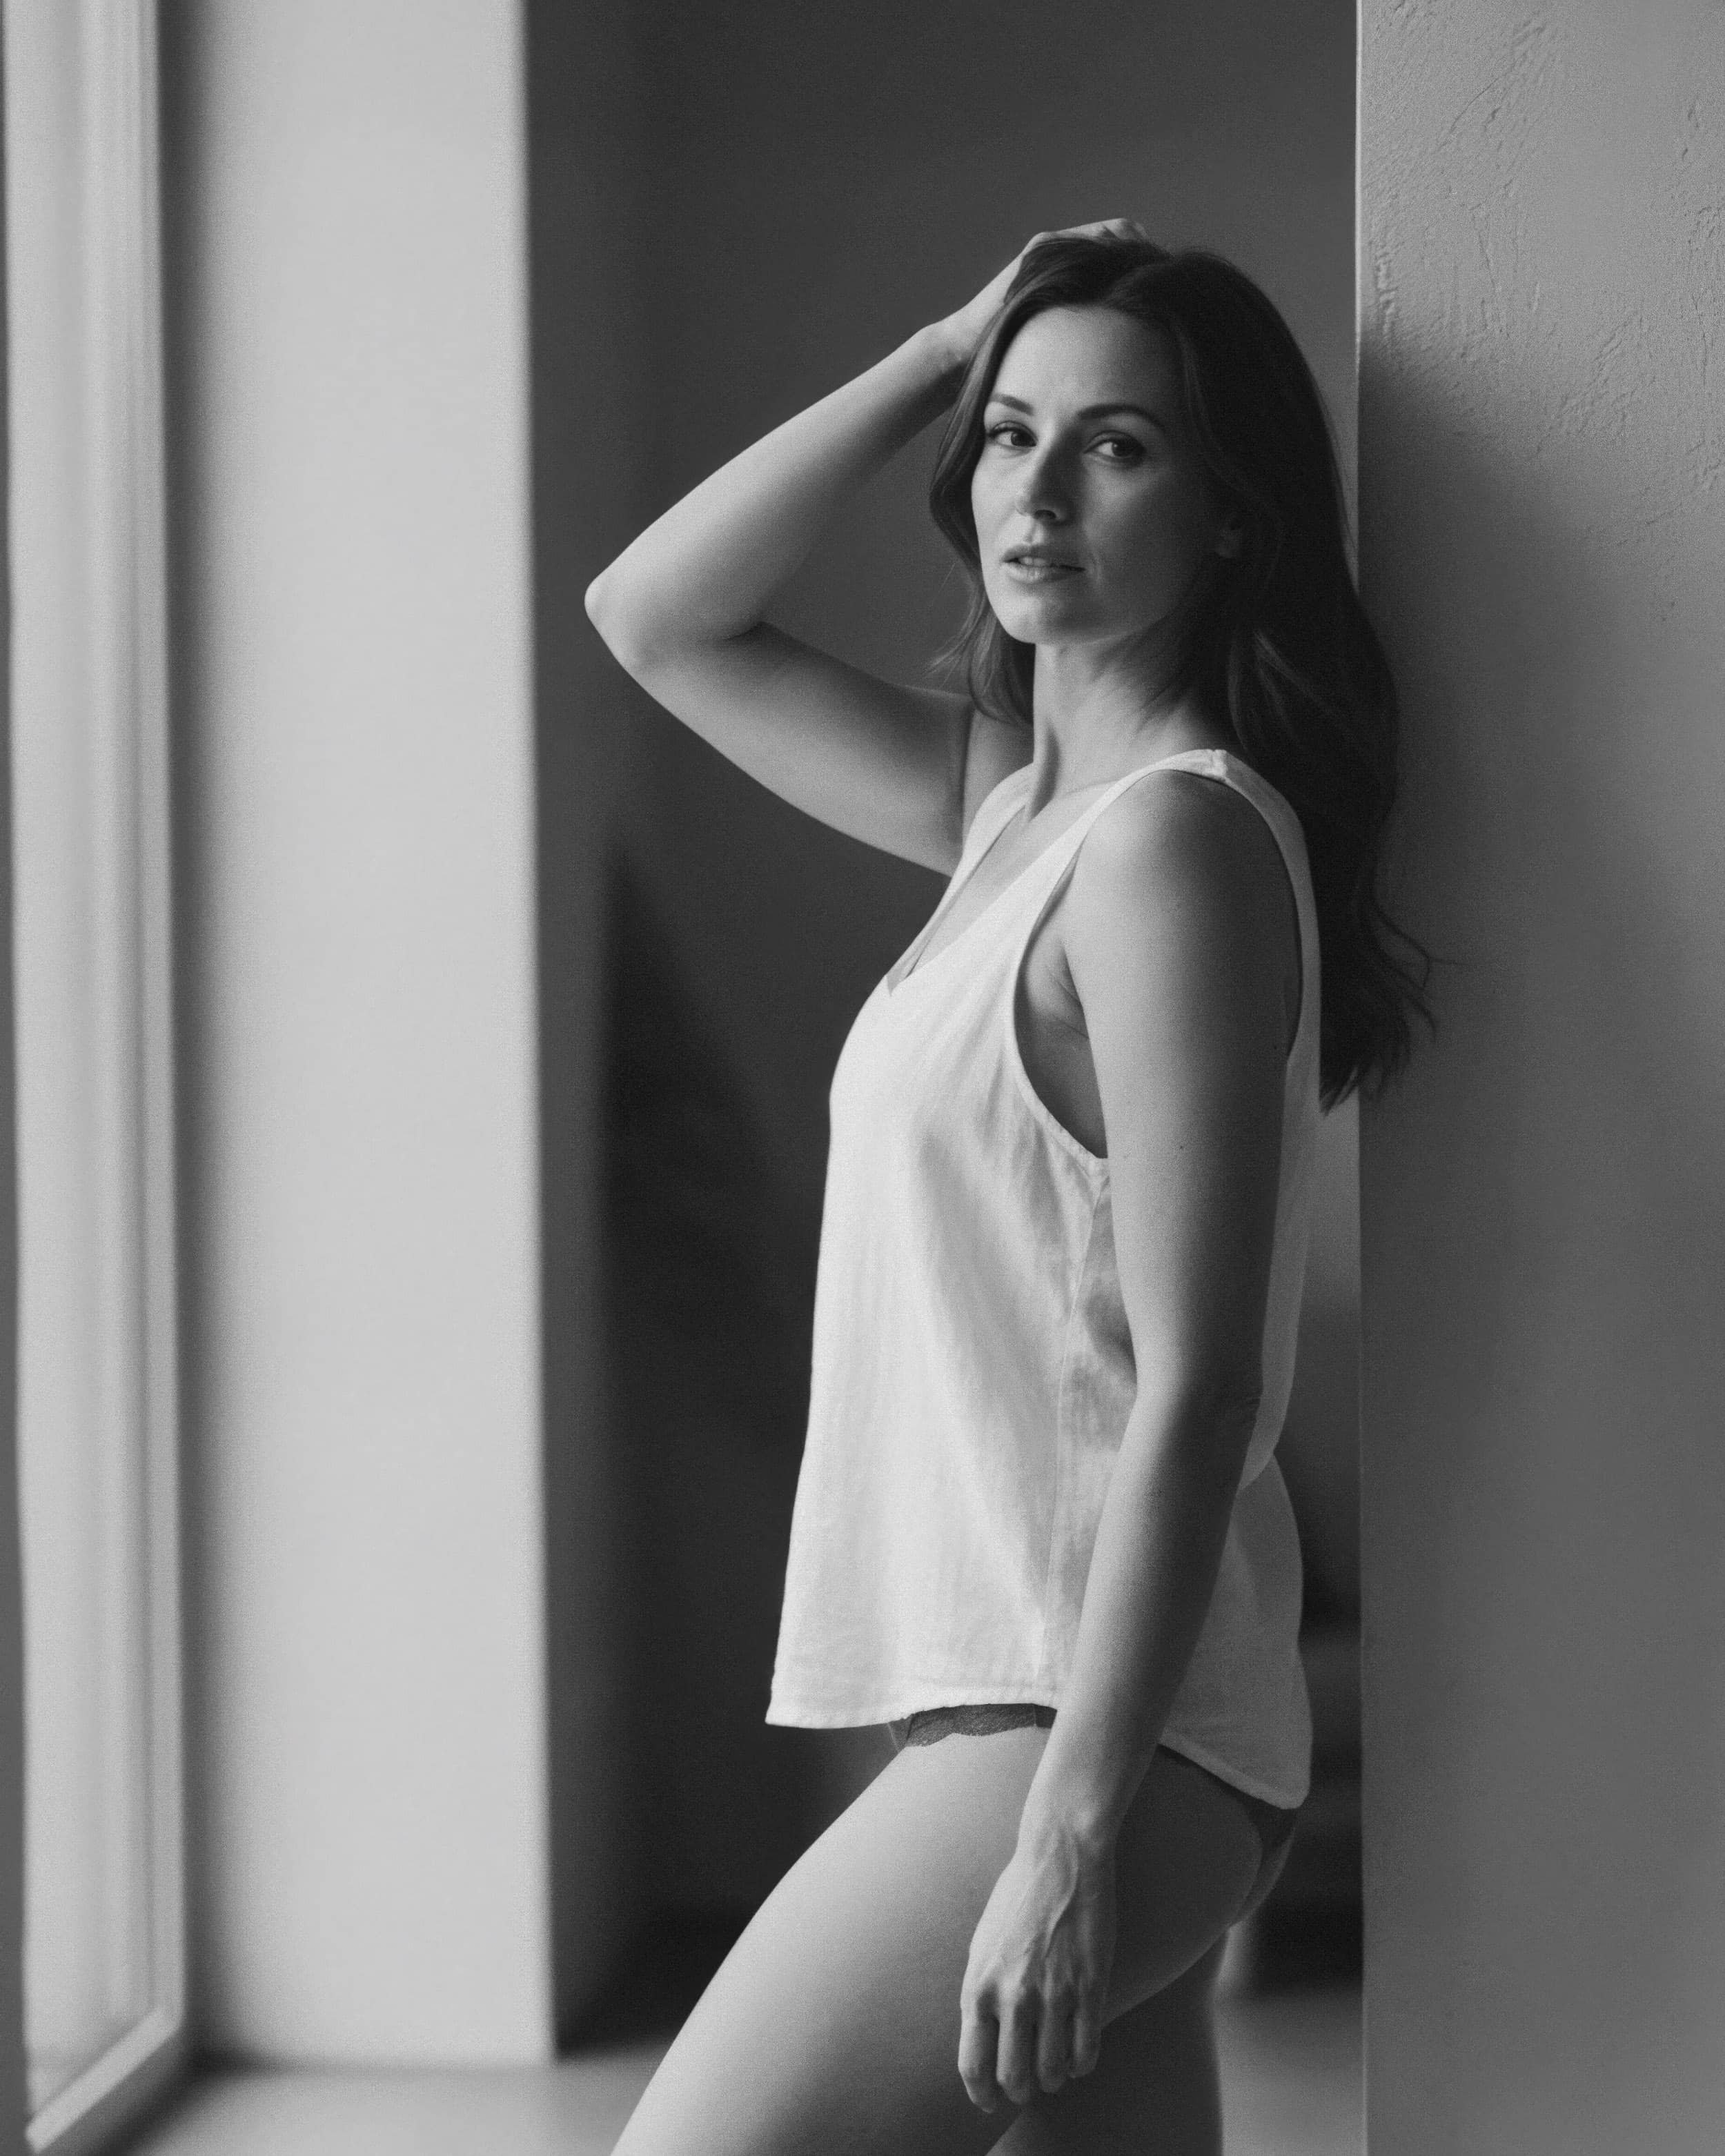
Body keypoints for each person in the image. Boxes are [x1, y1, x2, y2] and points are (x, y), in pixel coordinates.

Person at [585, 220, 1427, 2155]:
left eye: (1117, 443)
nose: (1036, 489)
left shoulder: (1171, 856)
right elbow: (655, 618)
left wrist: (1066, 1838)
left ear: (1233, 516)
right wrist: (949, 343)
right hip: (1019, 1715)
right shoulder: (1011, 822)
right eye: (1009, 436)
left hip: (1087, 1742)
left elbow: (1203, 1386)